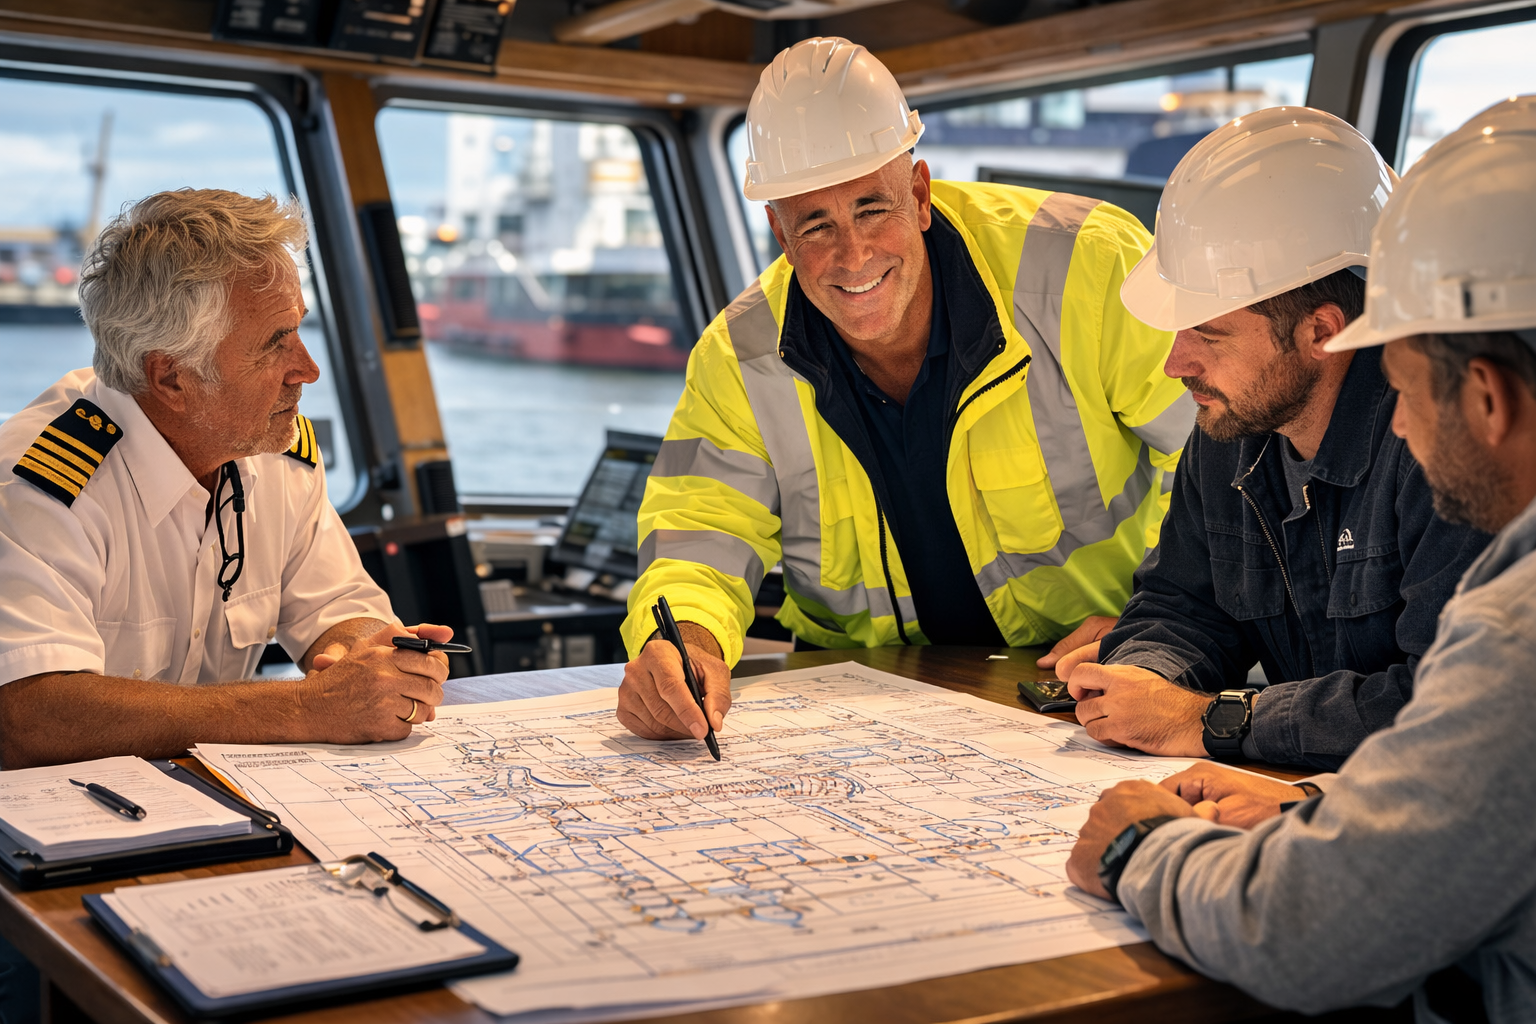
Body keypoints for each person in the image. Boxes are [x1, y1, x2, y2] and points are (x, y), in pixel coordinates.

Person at [1066, 96, 1536, 1020]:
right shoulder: (1228, 438)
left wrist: (1140, 848)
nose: (1397, 422)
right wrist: (1316, 806)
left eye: (1403, 387)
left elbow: (1310, 932)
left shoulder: (1518, 628)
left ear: (1485, 395)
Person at [616, 37, 1195, 743]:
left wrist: (1159, 622)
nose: (853, 256)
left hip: (1078, 682)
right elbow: (702, 528)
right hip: (858, 709)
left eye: (871, 208)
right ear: (779, 231)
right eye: (817, 225)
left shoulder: (1090, 267)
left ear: (918, 194)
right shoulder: (736, 355)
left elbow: (1220, 461)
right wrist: (688, 643)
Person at [1042, 107, 1489, 769]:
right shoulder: (1234, 425)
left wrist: (1215, 721)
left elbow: (1443, 706)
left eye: (1209, 335)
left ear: (1322, 332)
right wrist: (1142, 678)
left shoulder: (1441, 450)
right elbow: (1183, 602)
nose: (1176, 364)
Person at [0, 189, 450, 770]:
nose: (308, 370)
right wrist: (307, 709)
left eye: (299, 330)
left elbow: (338, 604)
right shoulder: (37, 486)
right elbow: (29, 714)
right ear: (171, 378)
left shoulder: (271, 450)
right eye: (274, 343)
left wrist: (369, 660)